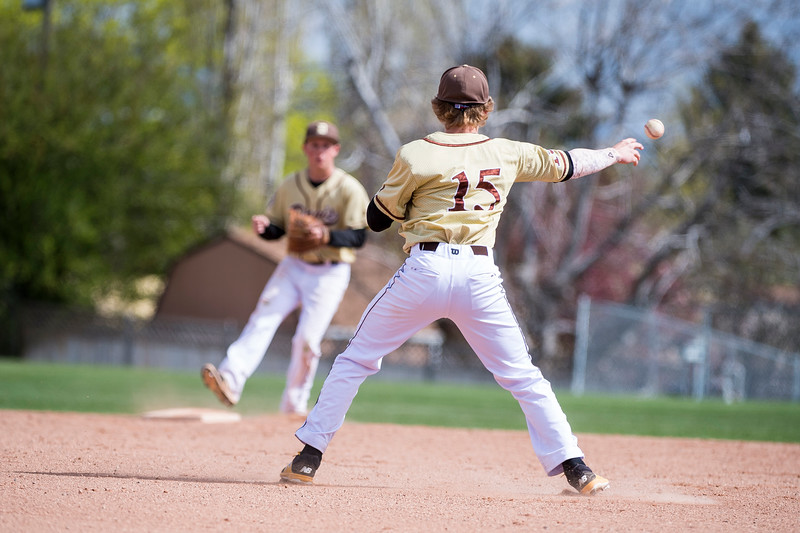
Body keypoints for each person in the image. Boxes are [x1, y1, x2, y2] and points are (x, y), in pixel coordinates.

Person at [278, 65, 642, 494]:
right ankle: (577, 468)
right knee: (524, 377)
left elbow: (376, 220)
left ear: (439, 108)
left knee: (355, 360)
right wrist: (614, 153)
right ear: (485, 109)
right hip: (479, 276)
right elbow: (569, 164)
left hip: (424, 271)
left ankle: (308, 457)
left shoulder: (416, 153)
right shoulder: (508, 151)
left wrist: (413, 203)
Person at [202, 120, 370, 417]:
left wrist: (327, 236)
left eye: (326, 145)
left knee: (307, 340)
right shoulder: (289, 184)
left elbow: (359, 236)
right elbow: (277, 228)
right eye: (314, 145)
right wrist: (265, 228)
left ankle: (294, 404)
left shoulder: (348, 189)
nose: (320, 151)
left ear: (336, 150)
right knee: (262, 319)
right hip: (294, 266)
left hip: (331, 271)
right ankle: (230, 378)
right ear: (306, 148)